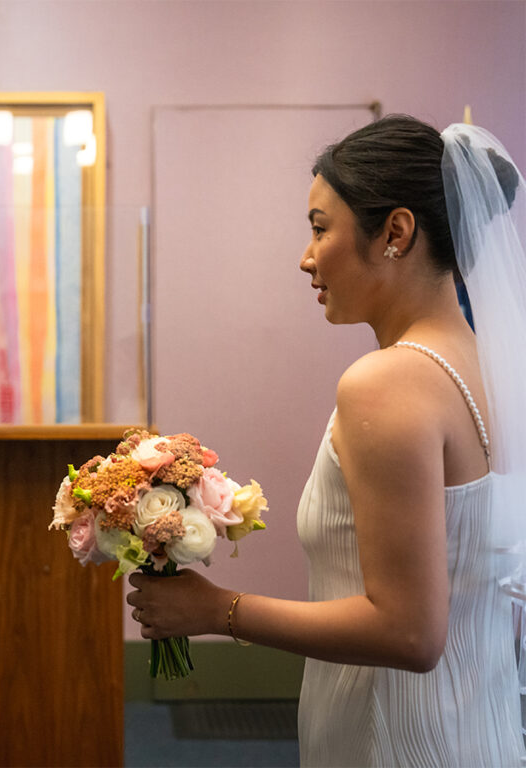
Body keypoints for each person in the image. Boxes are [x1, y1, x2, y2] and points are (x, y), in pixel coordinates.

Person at [126, 115, 526, 766]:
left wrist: (218, 609)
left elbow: (408, 631)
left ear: (395, 232)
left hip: (394, 734)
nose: (306, 256)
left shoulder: (387, 383)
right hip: (477, 726)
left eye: (319, 228)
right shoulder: (491, 369)